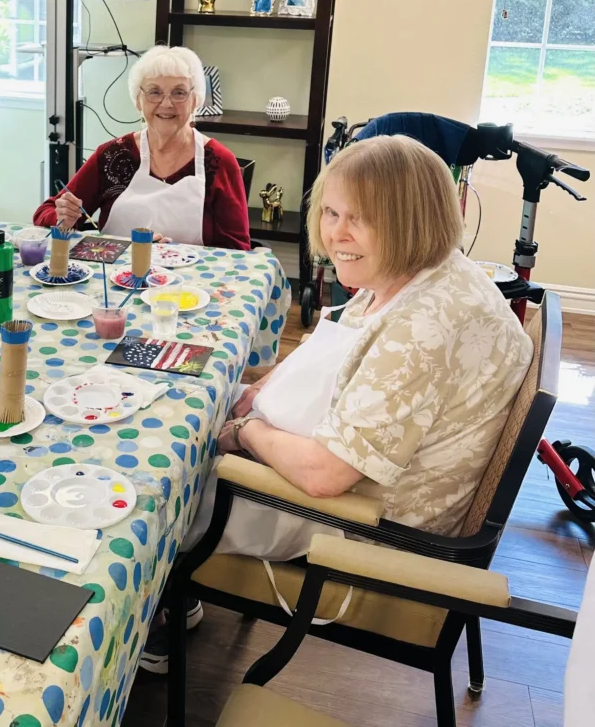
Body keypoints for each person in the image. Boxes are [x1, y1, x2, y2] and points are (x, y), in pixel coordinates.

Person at [140, 134, 533, 672]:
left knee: (152, 479)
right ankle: (174, 591)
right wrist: (258, 391)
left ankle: (152, 604)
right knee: (176, 400)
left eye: (359, 219)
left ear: (411, 220)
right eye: (330, 212)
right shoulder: (422, 272)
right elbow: (342, 346)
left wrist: (244, 433)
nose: (335, 234)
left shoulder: (425, 327)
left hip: (359, 529)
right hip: (362, 479)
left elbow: (326, 476)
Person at [33, 45, 250, 249]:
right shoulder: (111, 156)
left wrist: (175, 255)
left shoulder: (219, 161)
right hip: (115, 279)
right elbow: (45, 212)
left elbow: (238, 250)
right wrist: (63, 217)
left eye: (179, 92)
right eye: (154, 92)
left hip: (189, 286)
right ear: (138, 100)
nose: (166, 104)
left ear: (195, 100)